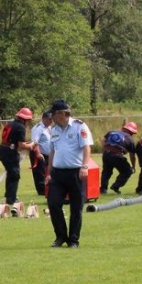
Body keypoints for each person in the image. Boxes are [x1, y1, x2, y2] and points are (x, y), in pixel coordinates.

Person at [45, 99, 93, 248]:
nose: (51, 116)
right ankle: (60, 236)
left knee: (76, 208)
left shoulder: (79, 126)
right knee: (53, 204)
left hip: (76, 172)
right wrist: (48, 172)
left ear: (62, 114)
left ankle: (73, 240)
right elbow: (52, 151)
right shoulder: (54, 130)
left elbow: (86, 148)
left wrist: (85, 166)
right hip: (58, 173)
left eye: (54, 113)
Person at [0, 107, 36, 206]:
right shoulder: (20, 127)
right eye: (28, 120)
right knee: (14, 175)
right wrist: (31, 145)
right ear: (25, 119)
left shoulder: (10, 124)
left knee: (11, 174)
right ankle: (11, 199)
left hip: (3, 150)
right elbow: (21, 145)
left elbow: (15, 142)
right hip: (10, 153)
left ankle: (9, 196)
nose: (28, 122)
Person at [100, 122, 138, 194]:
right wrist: (133, 166)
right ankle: (116, 186)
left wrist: (106, 149)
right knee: (127, 171)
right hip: (117, 156)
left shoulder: (112, 132)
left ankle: (103, 189)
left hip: (106, 154)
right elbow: (132, 155)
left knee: (106, 172)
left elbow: (103, 140)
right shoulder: (130, 139)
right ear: (132, 132)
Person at [30, 110, 53, 195]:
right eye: (50, 119)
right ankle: (42, 191)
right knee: (40, 173)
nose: (51, 121)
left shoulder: (48, 128)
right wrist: (38, 153)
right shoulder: (38, 128)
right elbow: (35, 142)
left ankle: (48, 188)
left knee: (48, 171)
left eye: (52, 119)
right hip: (38, 153)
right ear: (44, 119)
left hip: (47, 154)